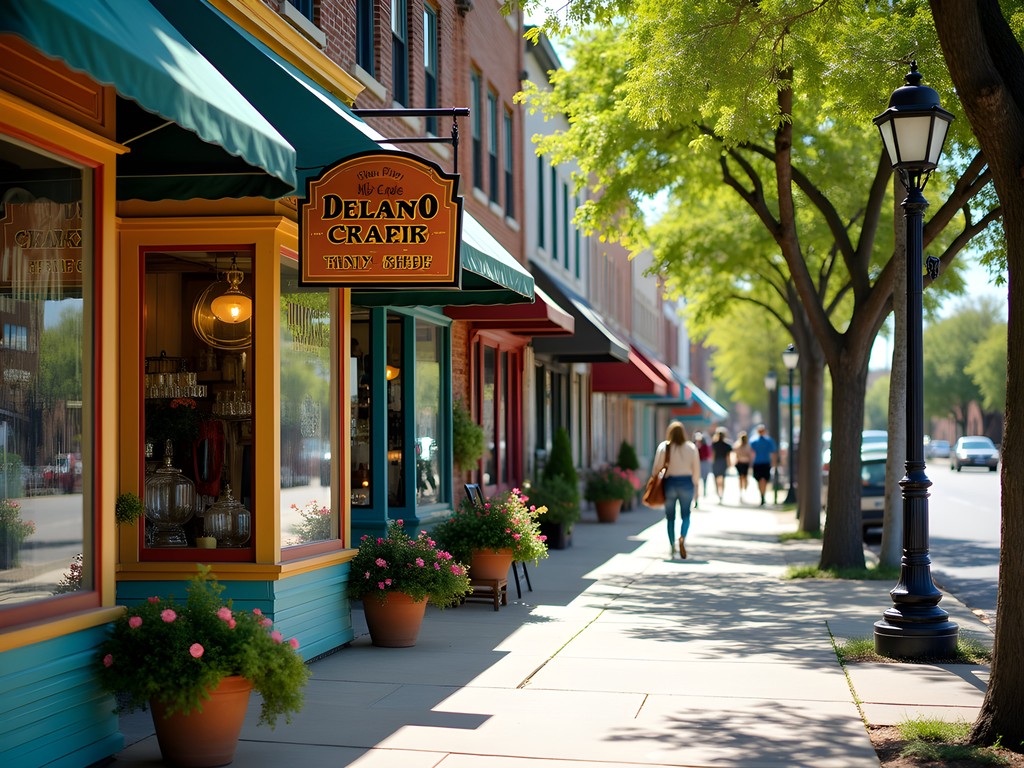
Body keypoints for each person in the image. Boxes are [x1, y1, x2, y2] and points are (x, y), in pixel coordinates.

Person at [651, 421, 701, 559]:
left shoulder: (664, 447)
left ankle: (671, 545)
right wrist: (696, 486)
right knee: (686, 515)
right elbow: (696, 470)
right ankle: (682, 537)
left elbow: (656, 469)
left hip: (670, 483)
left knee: (670, 517)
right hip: (686, 482)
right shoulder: (691, 448)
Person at [749, 424, 778, 506]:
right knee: (764, 480)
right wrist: (774, 463)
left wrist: (750, 464)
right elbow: (773, 453)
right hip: (765, 462)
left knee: (760, 480)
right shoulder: (769, 441)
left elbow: (751, 453)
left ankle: (762, 495)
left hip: (758, 463)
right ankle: (763, 495)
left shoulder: (754, 441)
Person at [710, 428, 733, 501]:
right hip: (723, 462)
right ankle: (721, 493)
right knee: (723, 478)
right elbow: (728, 456)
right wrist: (729, 464)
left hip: (716, 462)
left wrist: (712, 462)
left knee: (716, 478)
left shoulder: (714, 444)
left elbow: (713, 455)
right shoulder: (727, 445)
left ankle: (718, 492)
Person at [733, 431, 754, 500]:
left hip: (745, 463)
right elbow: (735, 454)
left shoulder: (748, 446)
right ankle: (741, 491)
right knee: (741, 477)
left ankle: (744, 489)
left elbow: (750, 455)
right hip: (740, 463)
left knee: (744, 477)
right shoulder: (737, 445)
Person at [694, 432, 712, 504]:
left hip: (704, 463)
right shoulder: (694, 446)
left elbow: (707, 455)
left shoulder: (705, 446)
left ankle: (704, 490)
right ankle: (696, 498)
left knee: (704, 478)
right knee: (696, 481)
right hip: (696, 463)